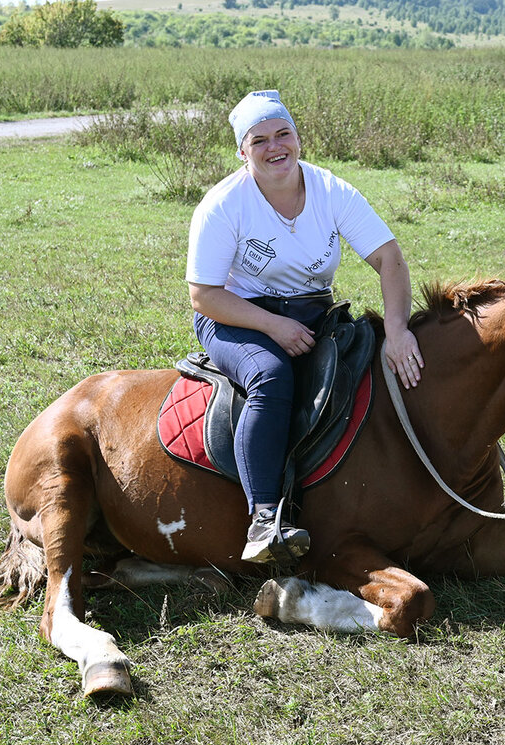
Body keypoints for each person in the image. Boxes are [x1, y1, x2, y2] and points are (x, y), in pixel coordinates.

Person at [187, 90, 423, 565]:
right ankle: (263, 518)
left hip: (313, 313)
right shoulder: (223, 205)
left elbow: (389, 259)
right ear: (242, 151)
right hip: (235, 317)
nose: (275, 147)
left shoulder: (331, 190)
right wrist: (273, 325)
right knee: (271, 377)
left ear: (298, 138)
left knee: (370, 361)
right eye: (260, 140)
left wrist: (398, 329)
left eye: (283, 134)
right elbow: (205, 295)